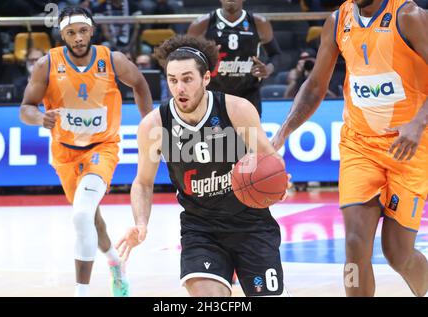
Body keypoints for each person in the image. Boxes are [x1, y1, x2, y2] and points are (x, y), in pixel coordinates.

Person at [272, 0, 428, 297]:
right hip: (360, 145)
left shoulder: (408, 15)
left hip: (408, 147)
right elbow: (316, 86)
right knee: (355, 243)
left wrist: (418, 124)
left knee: (397, 253)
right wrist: (283, 133)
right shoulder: (337, 20)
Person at [116, 35, 289, 297]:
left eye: (187, 79)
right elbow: (143, 182)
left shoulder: (237, 110)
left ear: (206, 78)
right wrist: (141, 224)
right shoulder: (154, 126)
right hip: (201, 229)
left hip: (252, 223)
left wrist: (278, 184)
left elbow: (270, 158)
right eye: (172, 80)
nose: (179, 88)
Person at [19, 6, 153, 297]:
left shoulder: (112, 60)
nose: (78, 37)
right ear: (62, 35)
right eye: (70, 32)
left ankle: (82, 292)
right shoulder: (47, 64)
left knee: (81, 215)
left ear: (91, 30)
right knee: (92, 219)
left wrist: (149, 123)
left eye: (82, 31)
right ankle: (116, 265)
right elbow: (26, 108)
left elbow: (140, 84)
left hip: (102, 149)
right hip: (65, 153)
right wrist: (39, 118)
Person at [187, 0, 281, 117]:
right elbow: (187, 60)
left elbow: (275, 54)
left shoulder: (259, 23)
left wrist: (268, 69)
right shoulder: (201, 24)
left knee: (249, 135)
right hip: (213, 96)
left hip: (248, 96)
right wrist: (207, 56)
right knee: (214, 135)